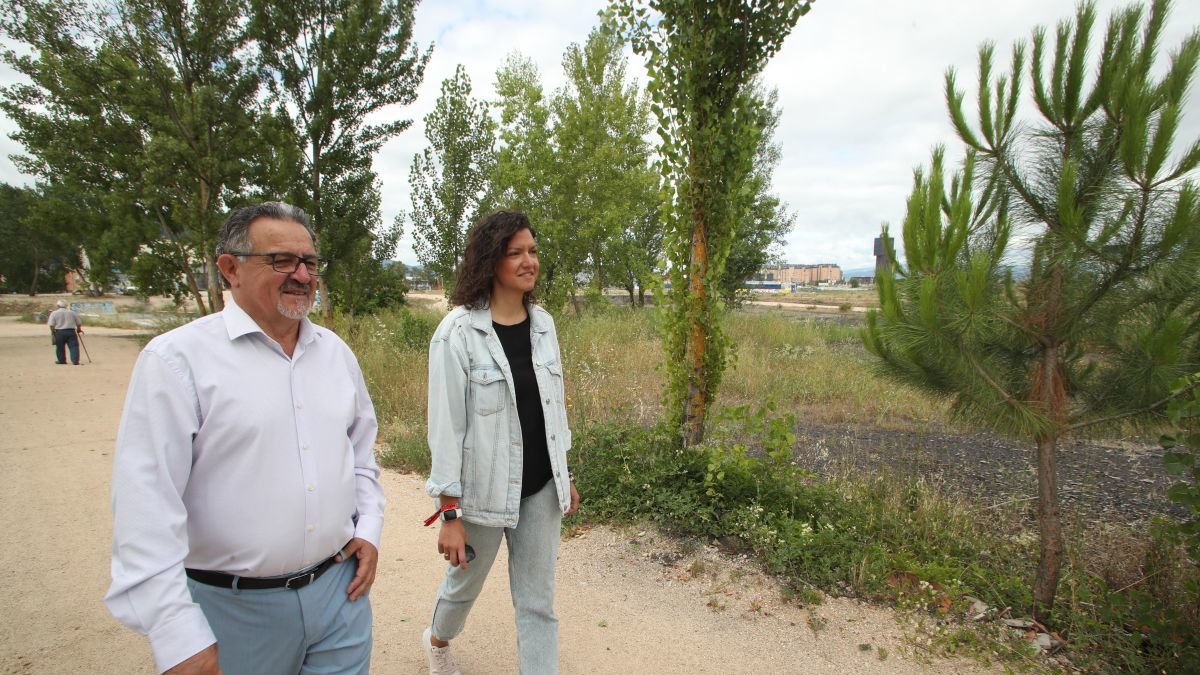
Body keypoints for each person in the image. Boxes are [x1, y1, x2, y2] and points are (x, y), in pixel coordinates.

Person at [105, 202, 386, 675]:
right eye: (282, 260)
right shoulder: (177, 362)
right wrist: (177, 634)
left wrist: (368, 530)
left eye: (310, 262)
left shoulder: (336, 355)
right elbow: (145, 505)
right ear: (229, 268)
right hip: (232, 613)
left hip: (340, 599)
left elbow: (361, 456)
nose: (301, 274)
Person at [422, 211, 581, 675]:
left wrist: (563, 473)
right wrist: (449, 514)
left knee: (538, 602)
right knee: (462, 586)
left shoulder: (545, 326)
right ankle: (437, 639)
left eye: (532, 251)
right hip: (481, 494)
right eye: (516, 253)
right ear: (491, 261)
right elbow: (446, 430)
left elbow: (554, 409)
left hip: (540, 493)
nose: (528, 261)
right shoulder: (457, 334)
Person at [47, 299, 83, 365]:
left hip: (59, 332)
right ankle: (75, 360)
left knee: (60, 347)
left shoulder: (54, 313)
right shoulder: (72, 312)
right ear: (66, 305)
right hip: (71, 332)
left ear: (58, 305)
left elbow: (51, 324)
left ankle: (61, 360)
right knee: (74, 346)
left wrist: (53, 331)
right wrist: (78, 329)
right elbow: (79, 323)